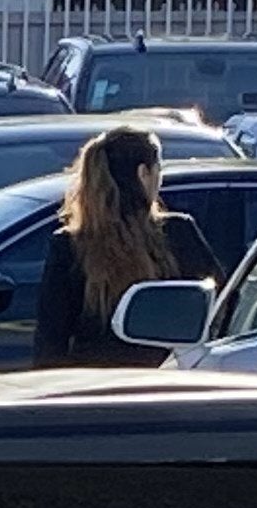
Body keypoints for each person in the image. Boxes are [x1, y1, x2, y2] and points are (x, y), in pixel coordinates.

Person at [33, 125, 217, 368]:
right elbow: (218, 306)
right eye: (158, 169)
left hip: (96, 386)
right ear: (143, 173)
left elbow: (50, 339)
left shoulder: (68, 245)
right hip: (168, 378)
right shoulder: (177, 233)